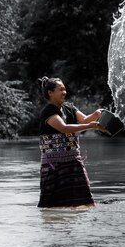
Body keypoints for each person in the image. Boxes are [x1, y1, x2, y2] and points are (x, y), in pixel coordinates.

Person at [37, 76, 106, 208]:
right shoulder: (48, 111)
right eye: (60, 89)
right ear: (50, 93)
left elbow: (85, 120)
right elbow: (64, 128)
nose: (64, 92)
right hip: (54, 165)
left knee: (86, 202)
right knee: (51, 206)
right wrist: (91, 126)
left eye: (65, 89)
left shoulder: (69, 107)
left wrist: (96, 114)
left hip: (74, 162)